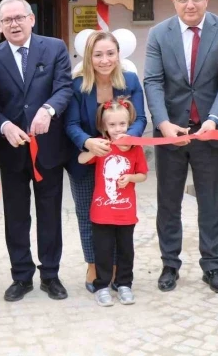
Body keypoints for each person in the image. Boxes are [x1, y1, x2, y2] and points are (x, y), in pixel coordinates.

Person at [143, 0, 218, 294]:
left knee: (211, 203)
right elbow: (153, 81)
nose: (190, 4)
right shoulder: (159, 34)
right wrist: (162, 123)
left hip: (209, 133)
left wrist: (215, 118)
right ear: (174, 1)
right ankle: (169, 264)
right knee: (168, 203)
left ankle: (212, 266)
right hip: (171, 133)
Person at [0, 0, 73, 302]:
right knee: (16, 216)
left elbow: (64, 87)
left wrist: (49, 110)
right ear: (0, 26)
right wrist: (4, 125)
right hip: (12, 150)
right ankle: (21, 276)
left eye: (18, 17)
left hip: (48, 149)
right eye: (7, 20)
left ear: (31, 19)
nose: (14, 24)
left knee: (49, 213)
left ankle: (50, 275)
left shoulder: (54, 48)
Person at [64, 31, 146, 292]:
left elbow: (141, 119)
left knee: (116, 216)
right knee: (88, 214)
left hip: (120, 160)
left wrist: (128, 137)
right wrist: (88, 143)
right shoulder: (77, 85)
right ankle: (93, 264)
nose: (104, 60)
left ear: (118, 54)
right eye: (98, 54)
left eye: (110, 53)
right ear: (89, 57)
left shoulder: (130, 80)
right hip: (87, 159)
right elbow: (72, 123)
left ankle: (113, 267)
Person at [77, 98, 148, 307]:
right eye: (112, 125)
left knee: (126, 249)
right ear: (103, 127)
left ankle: (124, 283)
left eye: (122, 124)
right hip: (101, 212)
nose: (118, 129)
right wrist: (93, 149)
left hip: (126, 212)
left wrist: (131, 178)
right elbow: (81, 160)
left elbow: (143, 174)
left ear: (130, 124)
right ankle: (101, 286)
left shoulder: (135, 147)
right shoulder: (102, 146)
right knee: (103, 250)